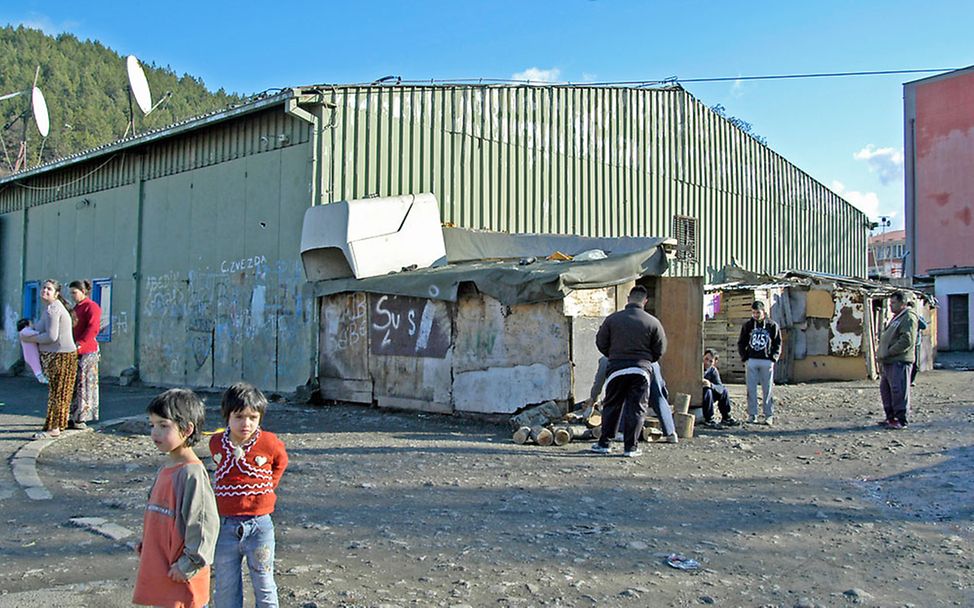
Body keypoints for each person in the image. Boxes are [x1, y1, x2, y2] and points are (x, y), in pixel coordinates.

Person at [133, 388, 219, 608]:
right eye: (152, 425)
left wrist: (188, 564)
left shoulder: (192, 474)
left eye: (164, 426)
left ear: (187, 429)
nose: (155, 433)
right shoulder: (166, 468)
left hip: (181, 579)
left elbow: (202, 525)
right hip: (163, 573)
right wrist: (147, 543)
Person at [209, 382, 288, 608]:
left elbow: (281, 463)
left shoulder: (269, 442)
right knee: (225, 585)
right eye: (239, 417)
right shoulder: (216, 443)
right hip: (225, 526)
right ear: (227, 416)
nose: (246, 423)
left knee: (263, 581)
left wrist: (267, 486)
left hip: (259, 526)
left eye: (253, 417)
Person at [591, 285, 678, 457]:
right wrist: (646, 360)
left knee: (612, 405)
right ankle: (631, 448)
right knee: (637, 408)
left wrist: (614, 355)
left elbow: (601, 342)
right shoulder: (653, 322)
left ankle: (604, 444)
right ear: (645, 301)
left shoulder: (612, 319)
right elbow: (660, 349)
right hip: (641, 370)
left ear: (628, 299)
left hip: (616, 368)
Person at [20, 279, 77, 439]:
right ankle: (54, 425)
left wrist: (30, 339)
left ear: (56, 293)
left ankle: (54, 428)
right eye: (44, 288)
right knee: (57, 392)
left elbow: (51, 336)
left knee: (58, 393)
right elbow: (40, 330)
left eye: (49, 289)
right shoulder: (50, 309)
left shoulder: (53, 310)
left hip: (60, 356)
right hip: (57, 356)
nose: (45, 291)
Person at [877, 291, 918, 429]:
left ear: (903, 303)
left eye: (893, 303)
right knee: (886, 390)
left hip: (899, 361)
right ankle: (890, 417)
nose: (890, 306)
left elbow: (907, 340)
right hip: (889, 361)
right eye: (890, 303)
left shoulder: (908, 317)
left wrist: (889, 352)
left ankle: (901, 419)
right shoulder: (897, 317)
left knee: (898, 390)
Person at [737, 300, 781, 426]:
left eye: (758, 312)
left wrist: (774, 358)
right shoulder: (748, 326)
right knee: (751, 389)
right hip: (751, 360)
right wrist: (744, 357)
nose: (756, 315)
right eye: (754, 312)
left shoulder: (772, 326)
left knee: (767, 389)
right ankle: (752, 414)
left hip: (767, 361)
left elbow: (778, 342)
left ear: (764, 312)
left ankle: (768, 415)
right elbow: (741, 342)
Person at [68, 279, 102, 429]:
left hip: (87, 351)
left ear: (83, 292)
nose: (72, 296)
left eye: (75, 293)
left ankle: (82, 417)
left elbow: (93, 328)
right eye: (71, 293)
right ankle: (72, 415)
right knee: (74, 384)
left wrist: (80, 343)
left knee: (85, 384)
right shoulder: (77, 308)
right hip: (75, 349)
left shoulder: (92, 307)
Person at [701, 349, 740, 427]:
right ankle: (709, 419)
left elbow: (720, 387)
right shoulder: (697, 368)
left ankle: (726, 417)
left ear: (715, 362)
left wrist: (710, 385)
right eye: (706, 359)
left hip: (708, 398)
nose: (707, 363)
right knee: (707, 391)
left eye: (710, 361)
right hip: (698, 395)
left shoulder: (713, 371)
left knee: (724, 391)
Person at [17, 319, 48, 384]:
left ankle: (42, 377)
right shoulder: (24, 331)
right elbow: (28, 333)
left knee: (37, 365)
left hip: (32, 353)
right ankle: (41, 378)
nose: (33, 324)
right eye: (31, 323)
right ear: (26, 325)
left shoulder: (23, 332)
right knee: (36, 366)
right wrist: (38, 333)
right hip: (30, 354)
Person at [908, 300, 927, 387]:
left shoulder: (917, 317)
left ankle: (912, 380)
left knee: (916, 364)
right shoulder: (904, 317)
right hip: (907, 343)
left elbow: (924, 326)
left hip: (916, 343)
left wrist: (917, 318)